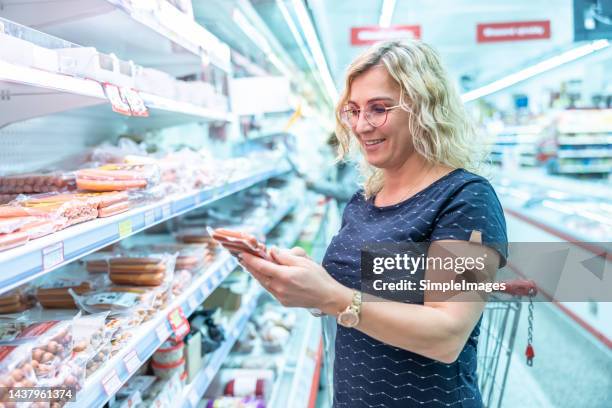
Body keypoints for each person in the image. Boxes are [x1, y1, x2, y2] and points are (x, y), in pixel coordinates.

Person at [238, 40, 508, 407]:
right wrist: (304, 279)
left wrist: (331, 296)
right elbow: (361, 290)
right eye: (353, 111)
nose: (361, 126)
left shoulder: (466, 198)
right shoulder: (367, 197)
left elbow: (448, 334)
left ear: (424, 108)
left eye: (378, 109)